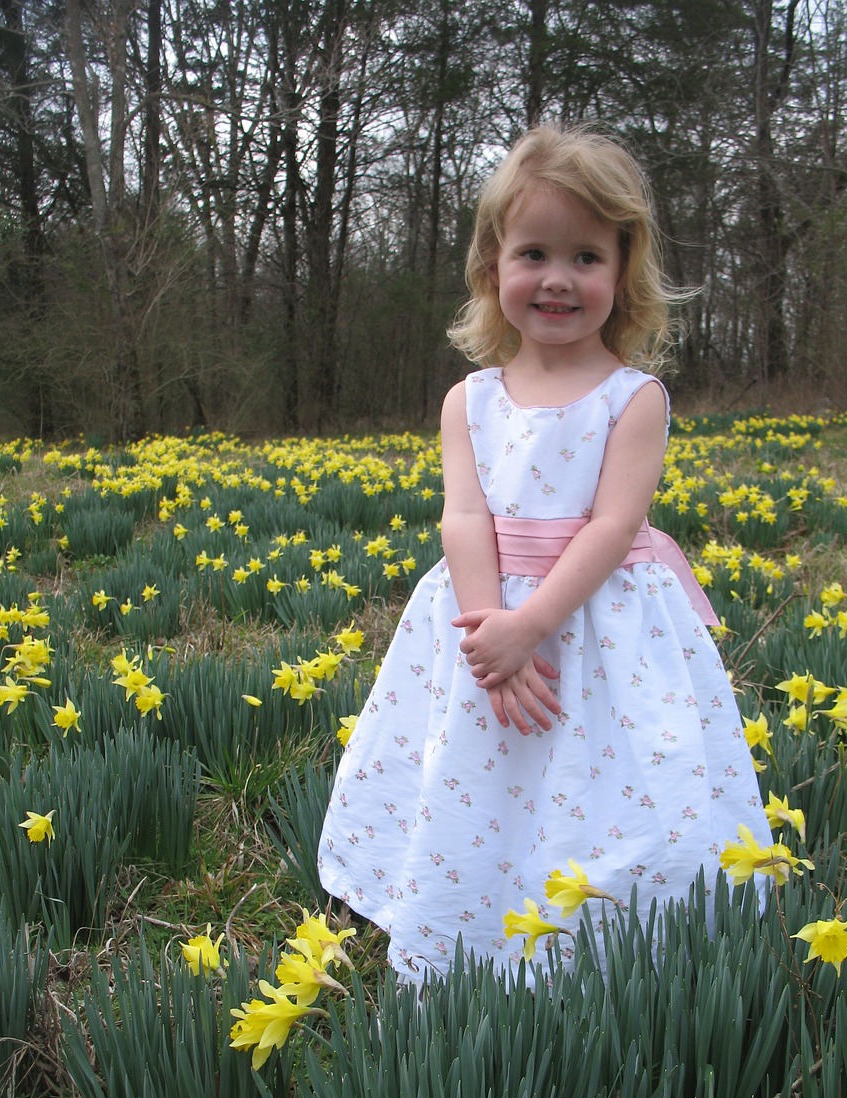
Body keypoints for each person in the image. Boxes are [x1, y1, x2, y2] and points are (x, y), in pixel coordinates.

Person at [317, 123, 772, 982]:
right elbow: (463, 518)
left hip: (600, 629)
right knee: (485, 776)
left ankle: (616, 949)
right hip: (485, 621)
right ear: (493, 267)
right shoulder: (470, 398)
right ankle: (475, 922)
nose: (558, 278)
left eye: (587, 258)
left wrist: (534, 624)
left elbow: (610, 526)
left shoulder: (634, 399)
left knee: (600, 781)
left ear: (622, 272)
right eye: (534, 252)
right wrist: (495, 633)